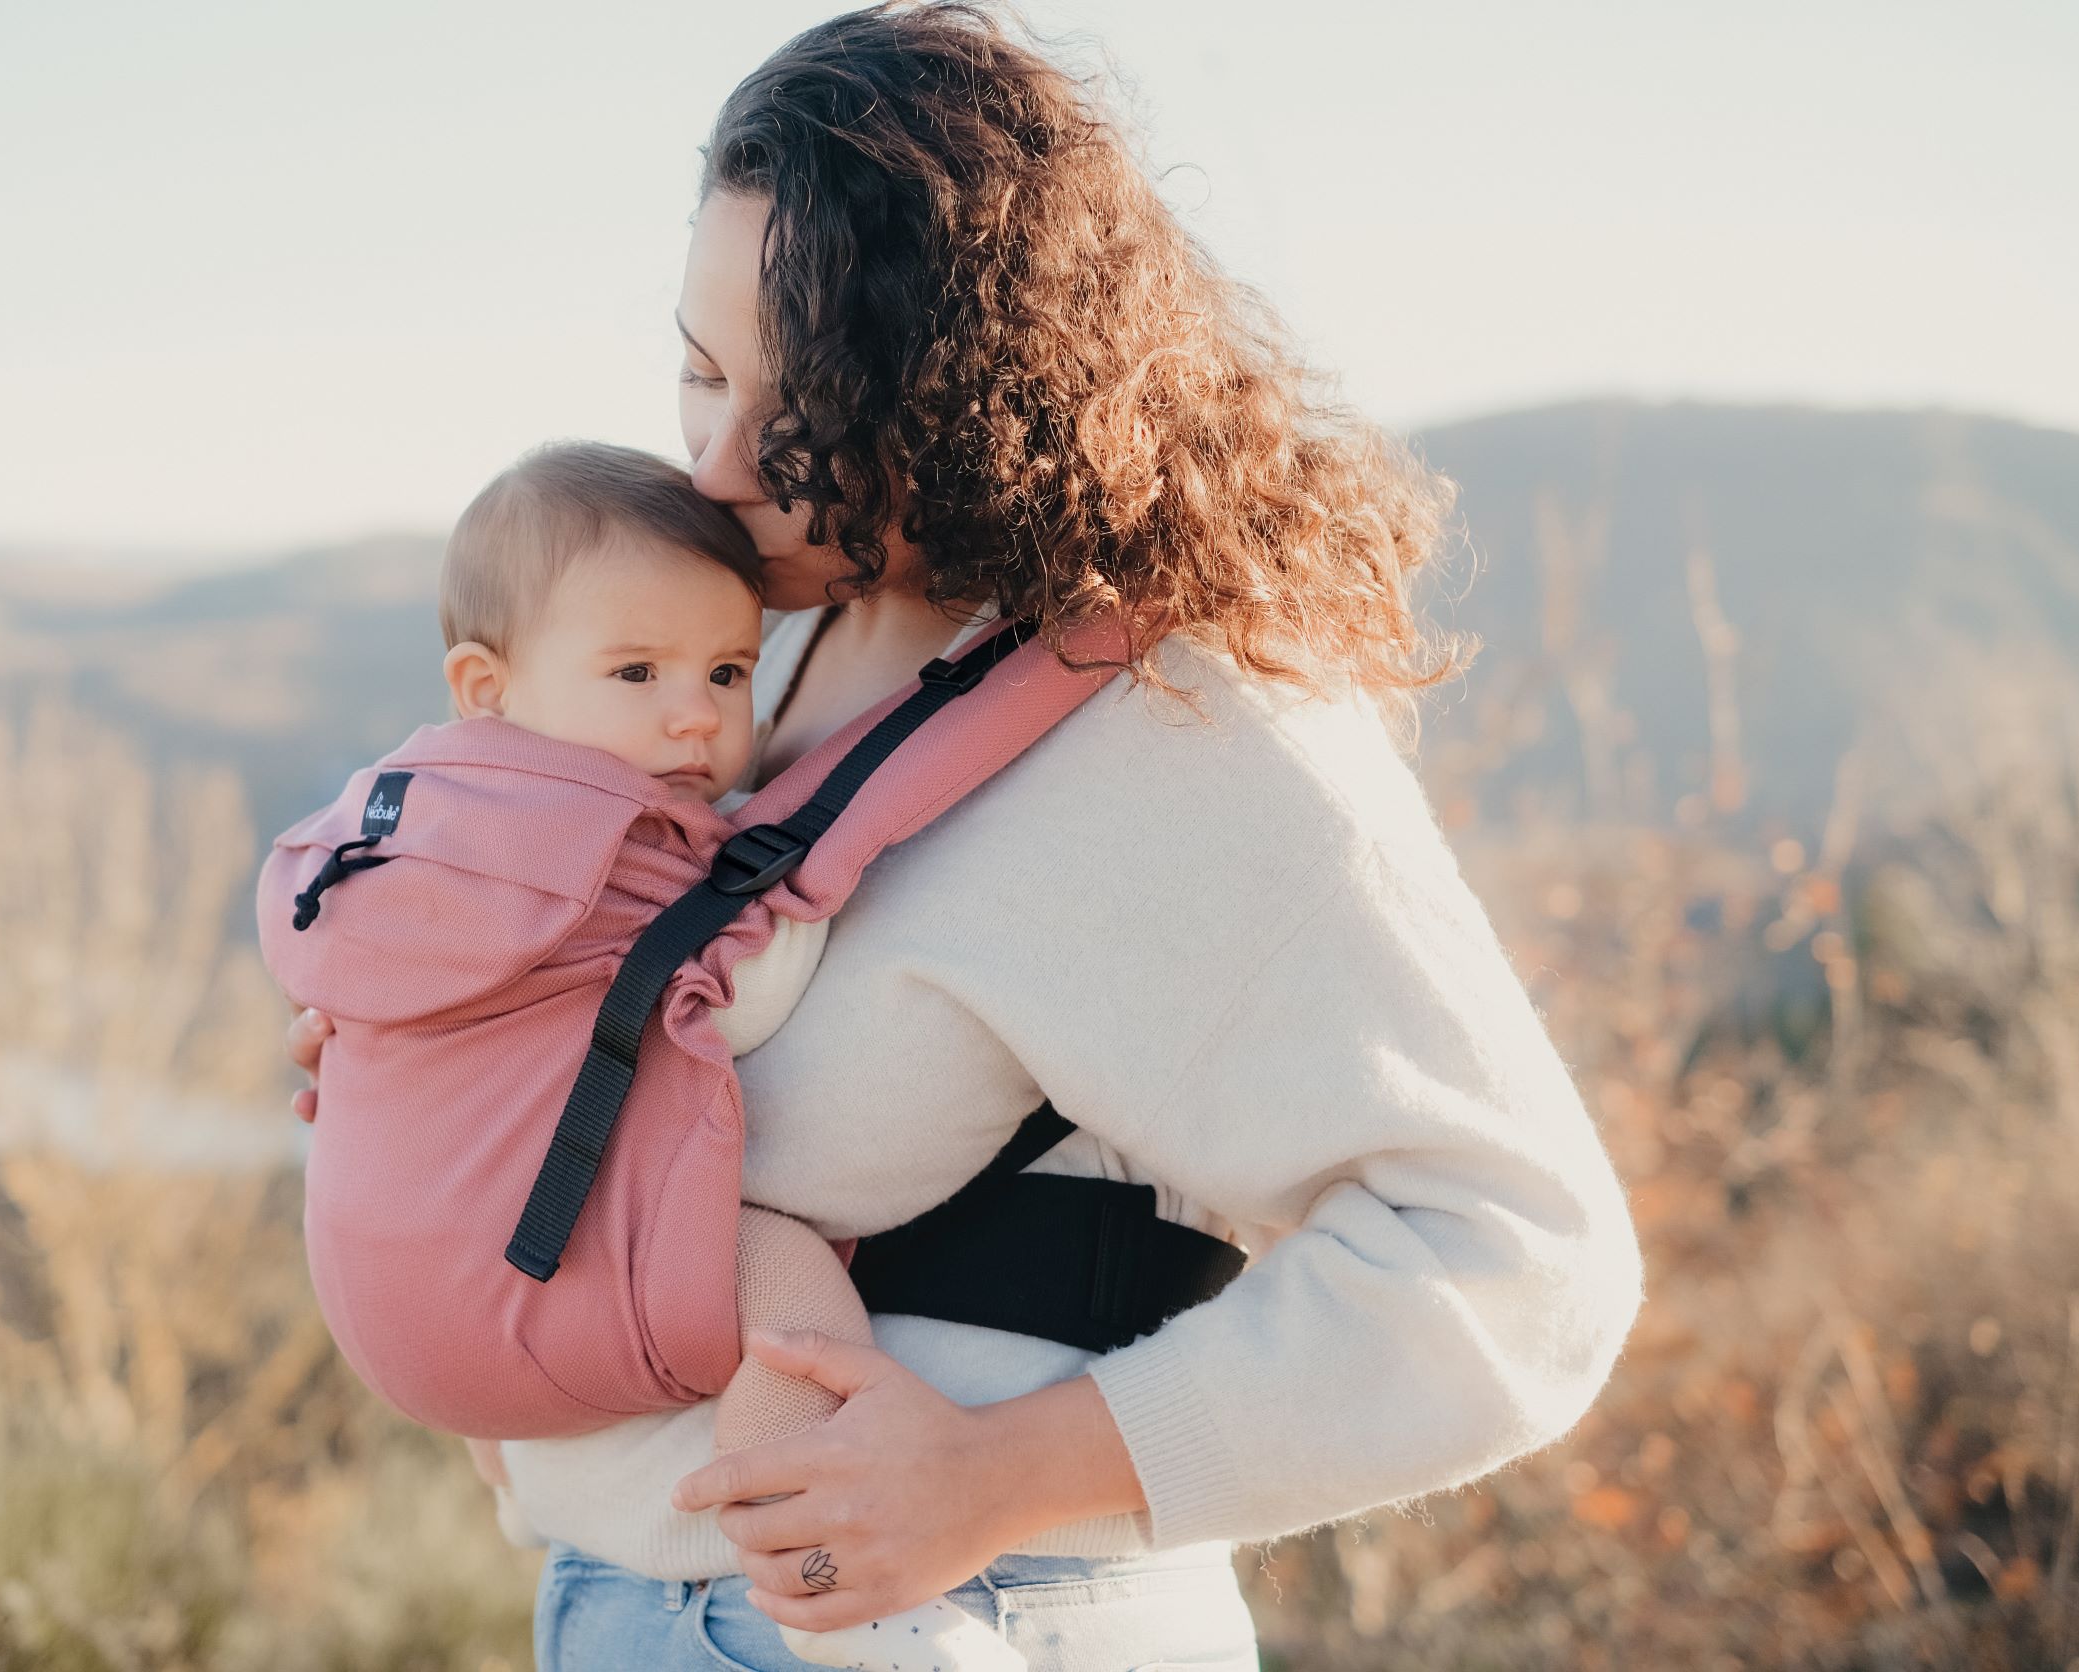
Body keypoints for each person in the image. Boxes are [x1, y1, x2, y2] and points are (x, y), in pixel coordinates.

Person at [289, 6, 1645, 1668]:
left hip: (980, 1618)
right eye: (697, 371)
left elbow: (1519, 1258)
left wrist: (1005, 1477)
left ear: (953, 396)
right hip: (620, 1603)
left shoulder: (1175, 726)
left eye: (789, 412)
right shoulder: (742, 655)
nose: (709, 463)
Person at [269, 437, 1026, 1670]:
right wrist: (815, 907)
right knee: (783, 1288)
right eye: (637, 670)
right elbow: (733, 1009)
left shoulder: (397, 825)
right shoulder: (610, 841)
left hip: (397, 1319)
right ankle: (817, 1578)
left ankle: (517, 1488)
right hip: (528, 1291)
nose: (696, 711)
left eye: (729, 670)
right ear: (486, 686)